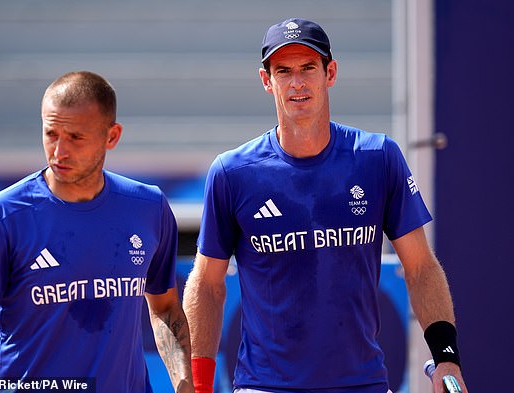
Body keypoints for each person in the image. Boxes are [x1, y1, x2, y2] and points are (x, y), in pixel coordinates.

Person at [183, 18, 468, 393]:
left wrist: (446, 357)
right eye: (283, 71)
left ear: (330, 73)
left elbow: (420, 268)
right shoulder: (232, 172)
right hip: (265, 387)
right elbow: (207, 284)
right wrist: (199, 385)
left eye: (308, 69)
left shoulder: (378, 157)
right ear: (267, 81)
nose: (297, 83)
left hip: (362, 384)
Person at [0, 71, 194, 393]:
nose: (59, 151)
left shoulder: (148, 206)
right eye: (51, 134)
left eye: (75, 137)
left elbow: (165, 307)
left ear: (112, 136)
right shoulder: (3, 216)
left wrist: (184, 383)